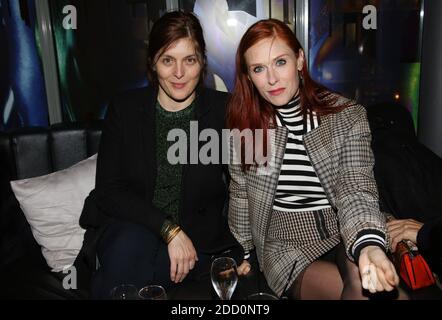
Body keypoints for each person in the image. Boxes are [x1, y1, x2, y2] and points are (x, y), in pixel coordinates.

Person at [227, 19, 400, 300]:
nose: (271, 78)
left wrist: (368, 244)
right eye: (259, 68)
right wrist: (244, 251)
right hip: (284, 241)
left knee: (370, 283)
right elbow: (241, 196)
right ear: (248, 76)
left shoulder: (347, 116)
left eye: (280, 62)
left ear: (300, 60)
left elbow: (355, 186)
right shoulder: (244, 129)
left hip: (342, 227)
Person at [79, 11, 241, 299]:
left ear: (202, 62)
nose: (179, 73)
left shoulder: (223, 111)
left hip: (195, 240)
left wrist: (250, 250)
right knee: (131, 246)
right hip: (132, 226)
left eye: (189, 60)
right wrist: (169, 230)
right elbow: (108, 191)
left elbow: (248, 182)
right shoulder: (125, 109)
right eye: (168, 60)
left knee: (124, 280)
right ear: (153, 63)